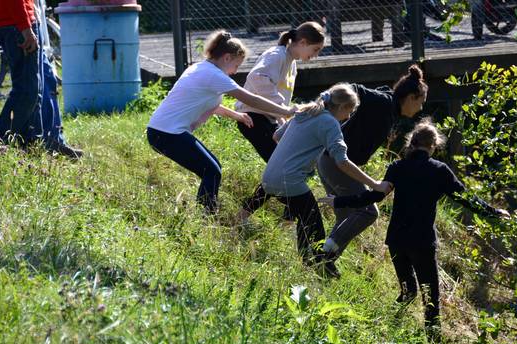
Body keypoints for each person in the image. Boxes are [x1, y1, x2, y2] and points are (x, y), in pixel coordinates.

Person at [319, 120, 510, 336]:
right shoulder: (440, 170)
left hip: (397, 240)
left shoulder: (397, 168)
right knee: (430, 300)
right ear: (434, 145)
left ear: (412, 142)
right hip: (422, 241)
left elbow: (373, 196)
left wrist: (338, 201)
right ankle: (432, 343)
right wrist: (494, 213)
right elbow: (465, 198)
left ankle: (385, 326)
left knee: (408, 291)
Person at [146, 31, 295, 215]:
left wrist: (237, 115)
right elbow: (251, 99)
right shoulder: (214, 75)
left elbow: (210, 105)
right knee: (211, 170)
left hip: (162, 131)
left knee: (212, 168)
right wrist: (285, 110)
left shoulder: (200, 68)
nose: (235, 71)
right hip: (166, 134)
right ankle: (207, 217)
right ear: (226, 58)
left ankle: (206, 213)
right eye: (236, 65)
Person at [251, 83, 390, 276]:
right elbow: (342, 162)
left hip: (268, 178)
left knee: (305, 217)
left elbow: (276, 136)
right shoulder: (329, 123)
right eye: (349, 111)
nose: (348, 117)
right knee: (315, 229)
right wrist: (374, 184)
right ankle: (316, 269)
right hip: (289, 181)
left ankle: (307, 267)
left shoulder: (305, 112)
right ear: (341, 107)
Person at [316, 64, 430, 275]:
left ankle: (323, 264)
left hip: (327, 160)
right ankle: (325, 257)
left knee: (346, 216)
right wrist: (324, 105)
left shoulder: (390, 105)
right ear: (412, 97)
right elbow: (354, 88)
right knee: (368, 210)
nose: (421, 108)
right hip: (335, 162)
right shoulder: (383, 102)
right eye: (421, 101)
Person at [235, 21, 325, 222]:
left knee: (284, 168)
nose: (316, 54)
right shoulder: (277, 55)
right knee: (282, 169)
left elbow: (281, 98)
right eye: (315, 49)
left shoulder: (291, 62)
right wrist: (282, 109)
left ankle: (266, 217)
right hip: (253, 118)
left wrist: (284, 119)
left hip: (268, 119)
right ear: (302, 42)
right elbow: (258, 78)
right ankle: (274, 217)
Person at [0, 0, 82, 158]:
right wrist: (25, 26)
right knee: (27, 91)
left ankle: (44, 142)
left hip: (16, 19)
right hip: (16, 21)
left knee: (45, 81)